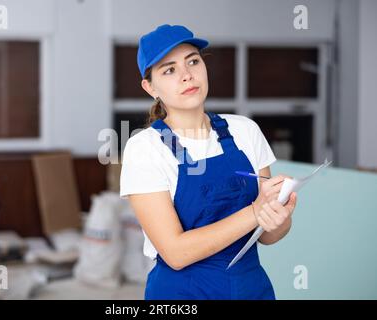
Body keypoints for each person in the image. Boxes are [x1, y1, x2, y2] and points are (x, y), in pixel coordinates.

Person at [120, 24, 297, 300]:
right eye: (169, 70)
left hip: (251, 289)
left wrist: (280, 217)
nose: (187, 75)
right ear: (150, 87)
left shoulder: (245, 131)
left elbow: (266, 236)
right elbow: (176, 253)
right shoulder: (145, 148)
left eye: (193, 61)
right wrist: (255, 211)